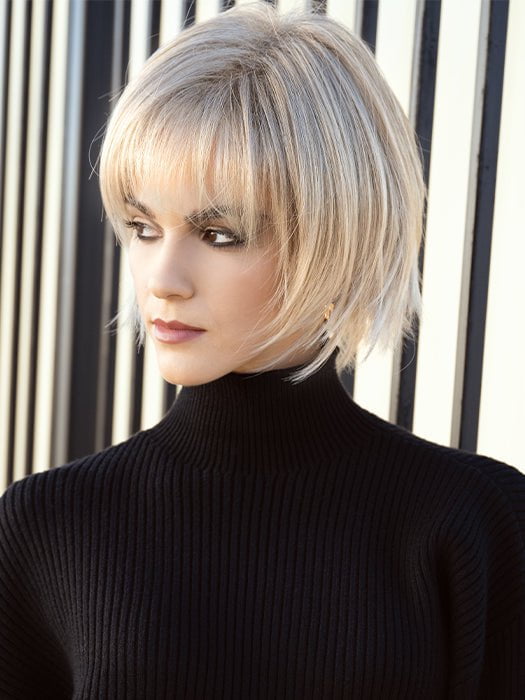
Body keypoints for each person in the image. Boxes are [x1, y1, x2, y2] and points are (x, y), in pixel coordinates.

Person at [1, 3, 524, 697]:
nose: (162, 279)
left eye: (219, 234)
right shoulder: (48, 526)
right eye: (142, 226)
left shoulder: (474, 522)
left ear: (335, 238)